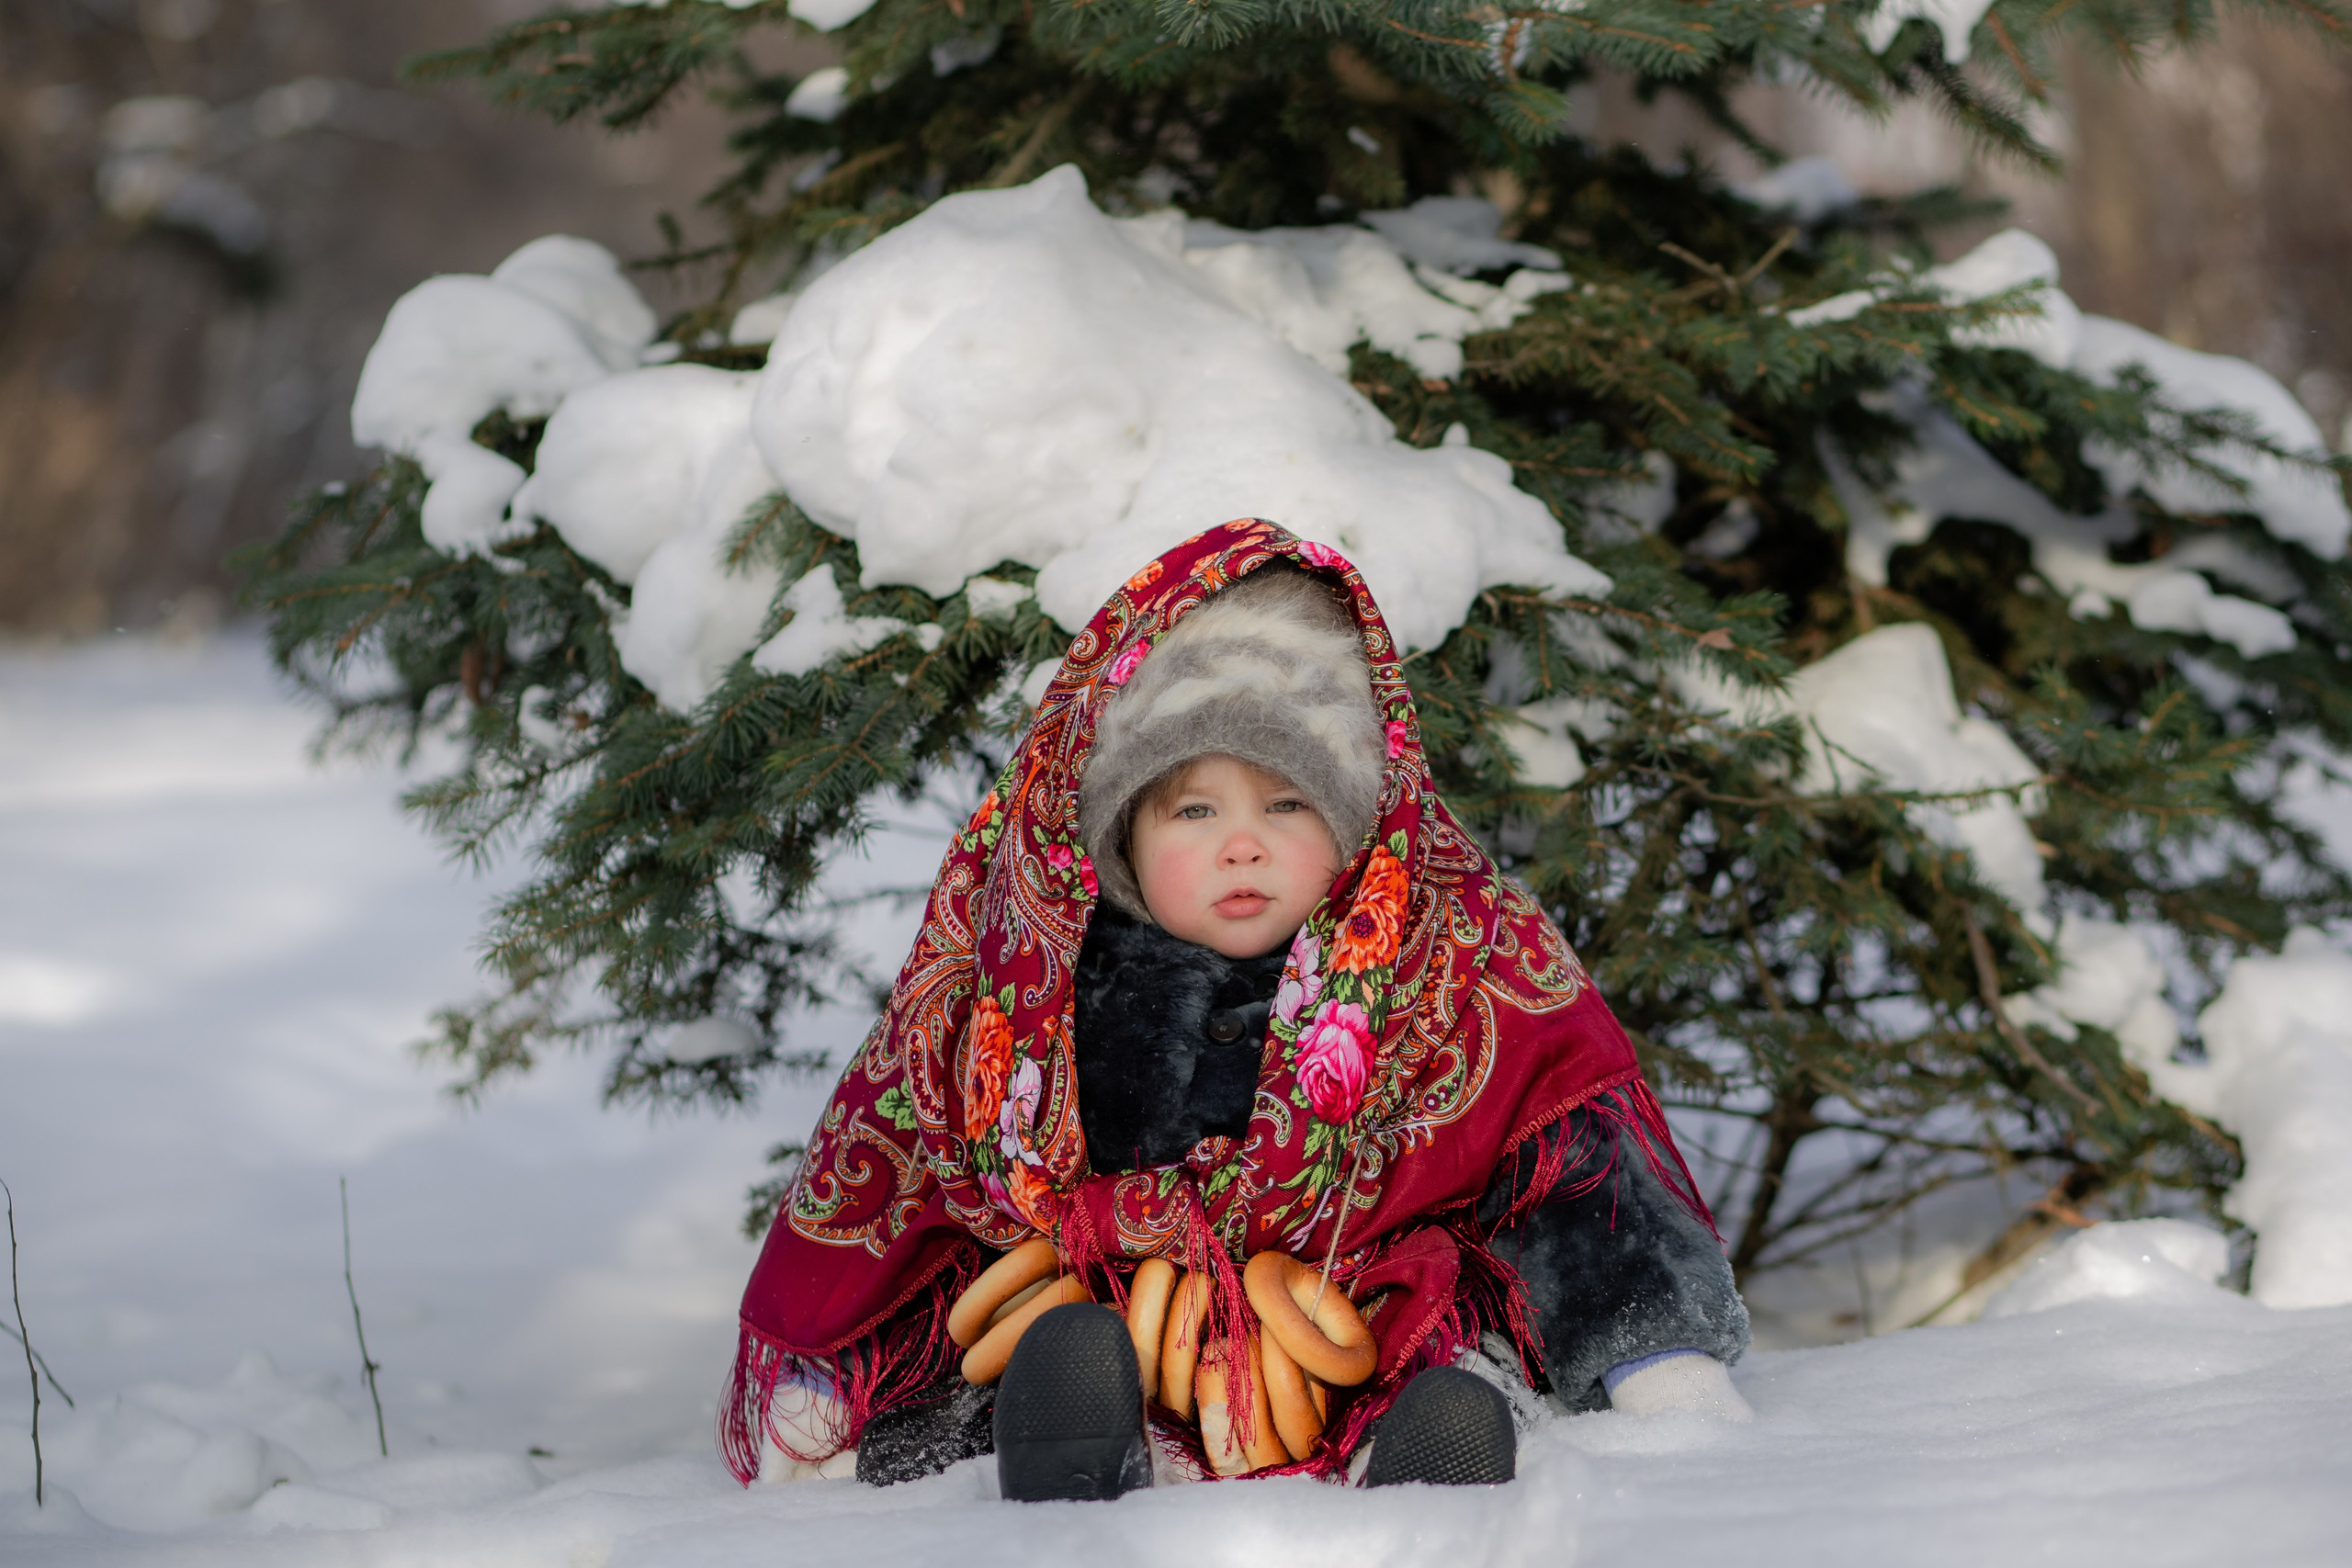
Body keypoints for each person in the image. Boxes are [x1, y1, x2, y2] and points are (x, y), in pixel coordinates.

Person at [725, 523, 1750, 1501]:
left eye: (1288, 803)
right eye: (1194, 809)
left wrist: (1655, 1355)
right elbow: (905, 1165)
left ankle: (1421, 1448)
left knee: (1446, 1342)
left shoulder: (1456, 961)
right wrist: (826, 1371)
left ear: (1357, 816)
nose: (1242, 845)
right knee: (1026, 1345)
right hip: (1103, 1303)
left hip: (1357, 1312)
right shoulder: (1033, 982)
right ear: (1122, 834)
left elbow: (1575, 1174)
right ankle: (1069, 1441)